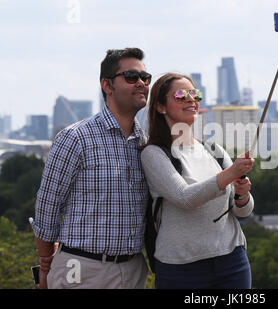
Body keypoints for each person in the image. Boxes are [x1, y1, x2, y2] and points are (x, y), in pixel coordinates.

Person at [32, 48, 151, 289]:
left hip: (134, 270)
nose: (141, 83)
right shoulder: (76, 137)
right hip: (81, 269)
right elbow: (48, 205)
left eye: (145, 78)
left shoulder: (145, 143)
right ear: (107, 86)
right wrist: (46, 264)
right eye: (131, 77)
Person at [140, 72, 255, 289]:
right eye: (181, 95)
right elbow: (186, 198)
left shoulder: (215, 151)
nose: (191, 99)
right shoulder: (154, 154)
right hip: (180, 268)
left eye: (195, 94)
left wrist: (242, 195)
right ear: (160, 106)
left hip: (232, 261)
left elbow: (242, 212)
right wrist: (231, 174)